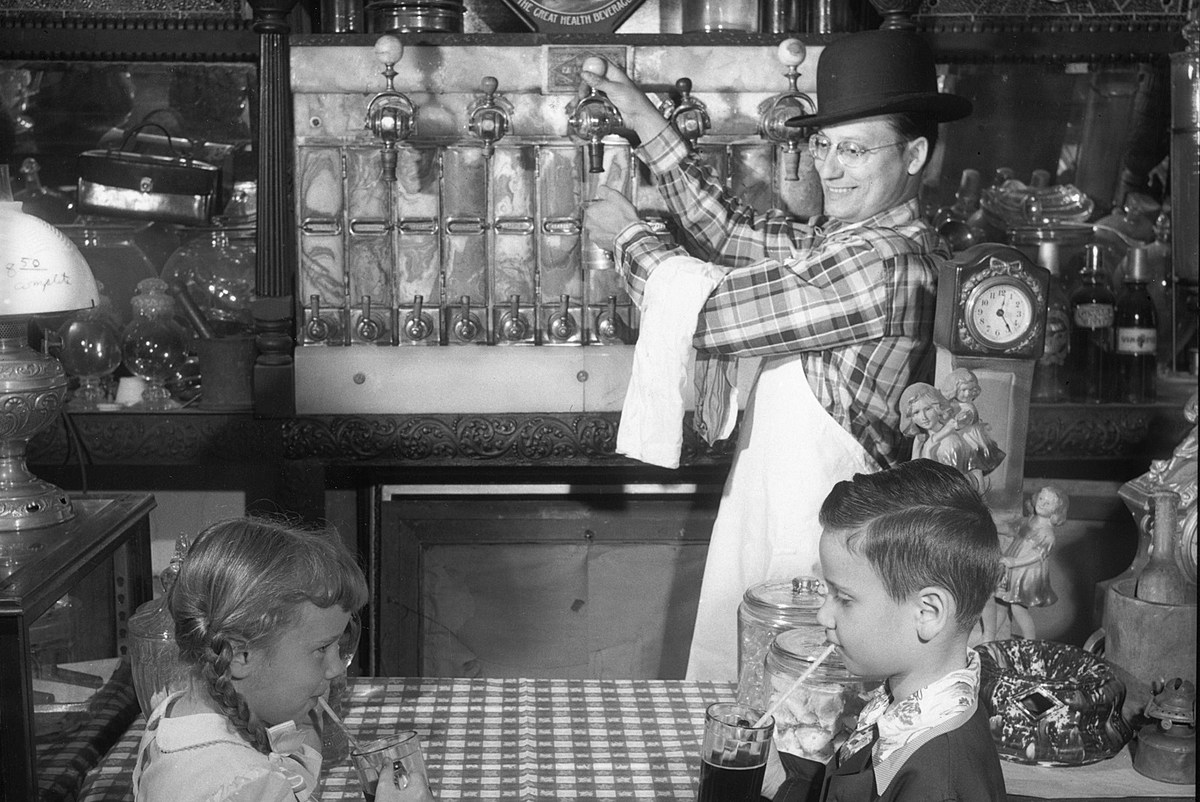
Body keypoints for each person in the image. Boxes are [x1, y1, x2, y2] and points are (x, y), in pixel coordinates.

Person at [581, 29, 973, 680]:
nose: (830, 167)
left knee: (794, 730)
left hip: (824, 556)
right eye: (822, 144)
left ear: (914, 155)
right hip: (781, 531)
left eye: (854, 149)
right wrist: (643, 116)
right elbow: (732, 233)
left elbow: (712, 316)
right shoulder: (848, 239)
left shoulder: (883, 263)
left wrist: (627, 237)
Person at [764, 459, 1007, 801]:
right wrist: (779, 779)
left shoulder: (936, 784)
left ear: (928, 612)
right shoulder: (908, 705)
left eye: (843, 598)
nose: (823, 615)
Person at [132, 518, 408, 802]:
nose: (337, 667)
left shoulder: (172, 715)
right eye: (323, 648)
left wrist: (306, 743)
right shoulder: (248, 786)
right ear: (240, 655)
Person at [994, 485, 1068, 639]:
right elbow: (1013, 529)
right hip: (1011, 569)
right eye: (1041, 498)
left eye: (1048, 503)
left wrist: (1015, 562)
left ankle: (1030, 641)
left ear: (1056, 511)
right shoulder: (1030, 521)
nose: (1042, 503)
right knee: (1001, 604)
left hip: (1025, 574)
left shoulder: (1047, 534)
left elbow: (1037, 555)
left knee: (1018, 609)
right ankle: (990, 636)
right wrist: (994, 526)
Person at [897, 382, 985, 493]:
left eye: (928, 409)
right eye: (916, 412)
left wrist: (928, 451)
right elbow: (912, 479)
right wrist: (918, 449)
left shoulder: (949, 442)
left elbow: (949, 489)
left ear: (939, 408)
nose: (923, 417)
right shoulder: (922, 438)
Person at [938, 367, 1006, 475]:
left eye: (970, 390)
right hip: (963, 437)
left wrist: (946, 422)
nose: (967, 394)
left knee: (972, 467)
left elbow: (959, 424)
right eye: (963, 390)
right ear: (954, 390)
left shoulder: (968, 409)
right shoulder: (956, 404)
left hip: (970, 441)